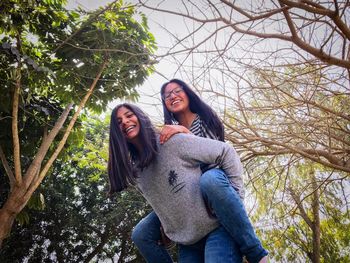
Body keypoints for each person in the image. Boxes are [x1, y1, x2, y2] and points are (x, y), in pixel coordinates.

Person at [108, 103, 268, 263]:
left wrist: (235, 200)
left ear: (140, 117)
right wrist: (168, 225)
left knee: (211, 178)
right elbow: (160, 200)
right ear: (117, 134)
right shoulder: (136, 172)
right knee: (140, 234)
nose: (125, 122)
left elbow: (226, 152)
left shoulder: (171, 142)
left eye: (129, 116)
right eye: (119, 122)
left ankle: (257, 254)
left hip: (217, 228)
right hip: (188, 242)